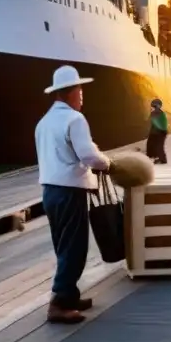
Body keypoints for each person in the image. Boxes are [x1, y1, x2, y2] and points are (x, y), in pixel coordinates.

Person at [34, 65, 112, 325]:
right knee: (75, 247)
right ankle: (58, 303)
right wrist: (108, 163)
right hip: (69, 191)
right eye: (80, 90)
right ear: (70, 93)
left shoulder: (43, 122)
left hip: (49, 191)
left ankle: (70, 295)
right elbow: (88, 156)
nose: (82, 95)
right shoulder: (75, 119)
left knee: (62, 246)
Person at [145, 98, 168, 164]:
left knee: (158, 146)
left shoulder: (156, 112)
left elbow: (155, 123)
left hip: (159, 132)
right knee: (153, 144)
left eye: (152, 105)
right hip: (158, 132)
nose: (151, 107)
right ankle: (156, 157)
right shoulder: (158, 112)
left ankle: (161, 159)